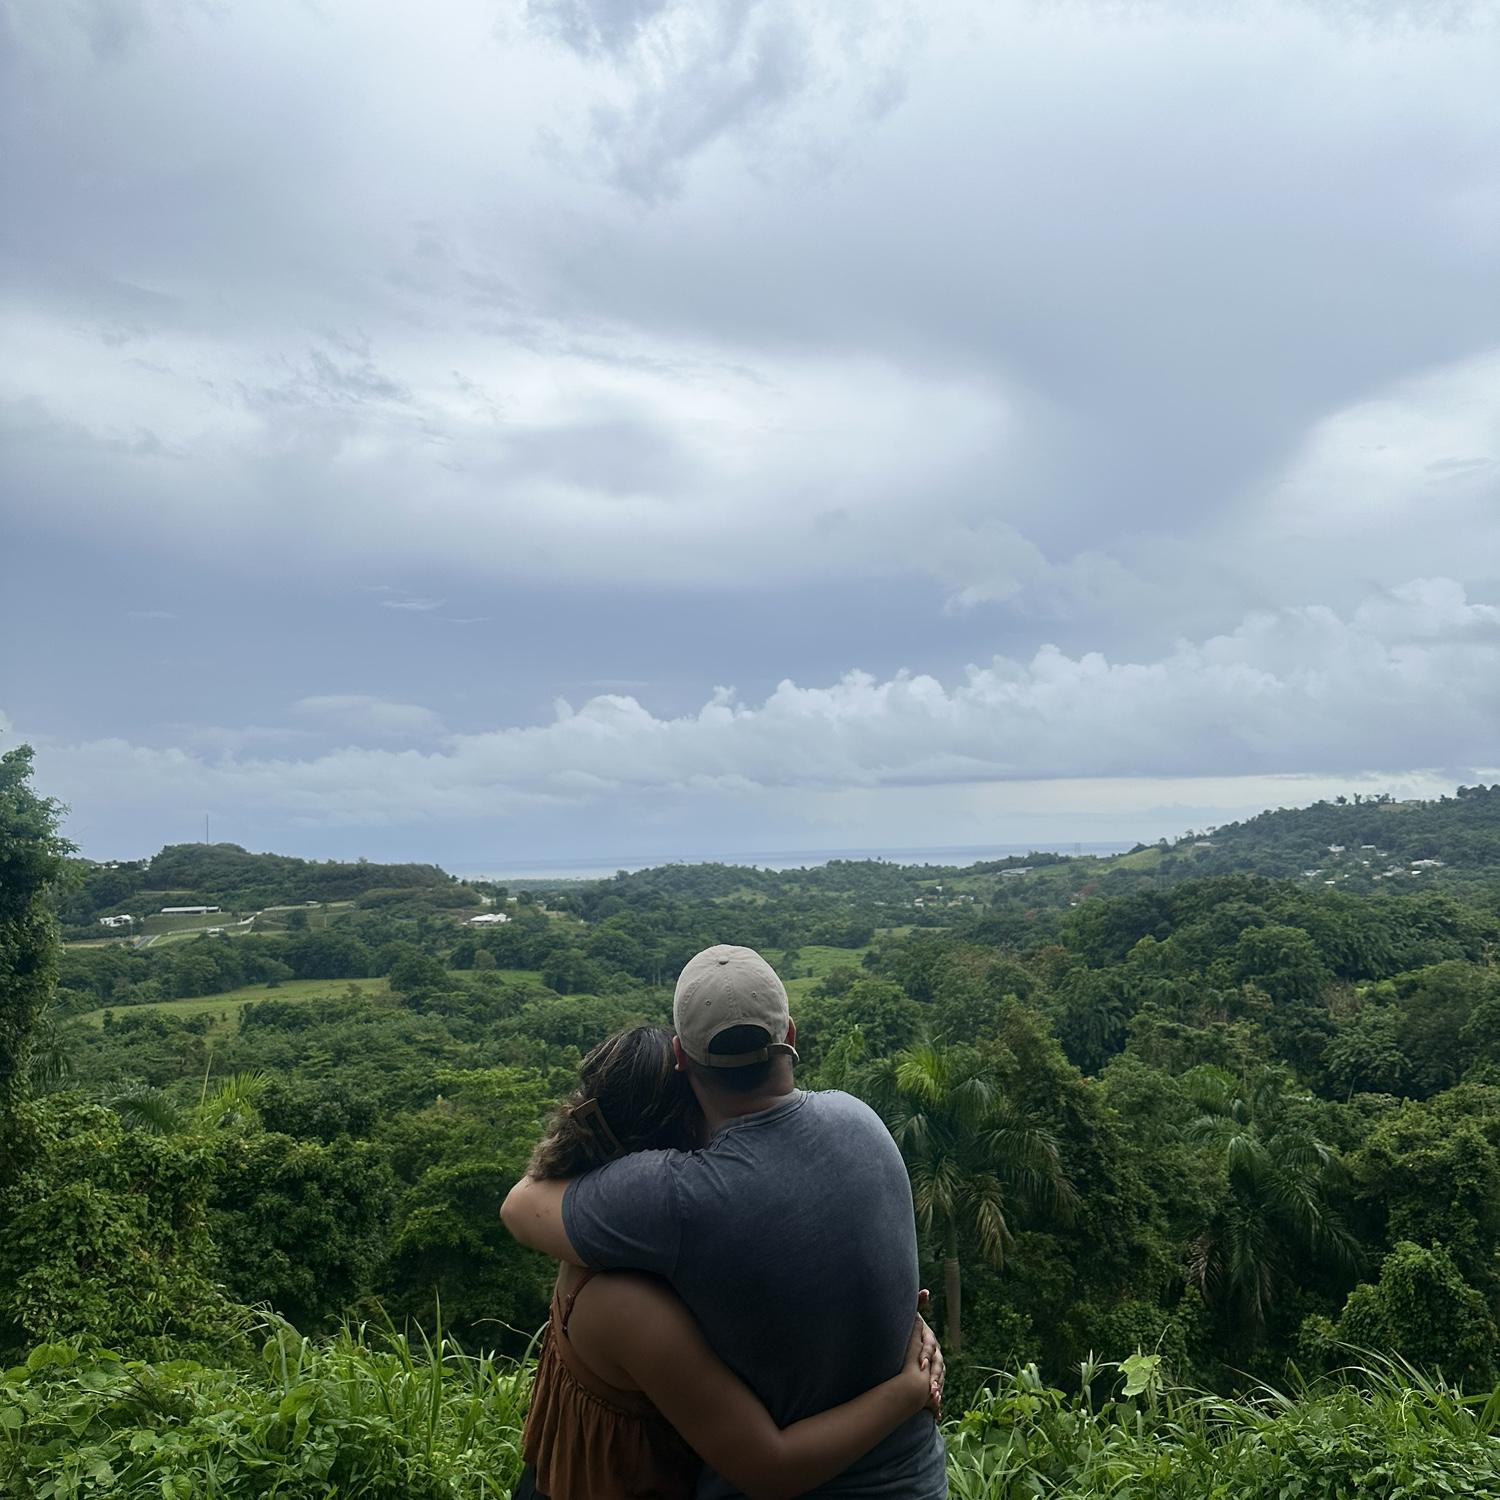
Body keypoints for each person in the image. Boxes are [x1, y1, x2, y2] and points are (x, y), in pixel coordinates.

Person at [502, 945, 948, 1499]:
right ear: (790, 1033)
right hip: (919, 1482)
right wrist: (908, 1377)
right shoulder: (862, 1121)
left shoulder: (677, 1196)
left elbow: (520, 1208)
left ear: (681, 1058)